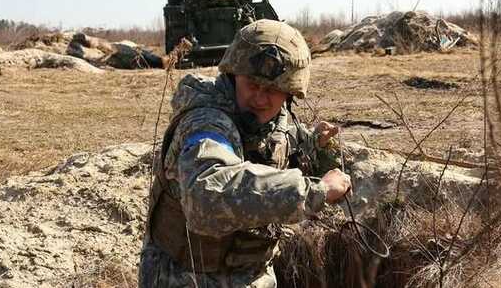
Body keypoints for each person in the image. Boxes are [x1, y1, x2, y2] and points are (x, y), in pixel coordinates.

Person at [139, 19, 352, 287]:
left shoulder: (276, 120)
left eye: (273, 90)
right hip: (185, 278)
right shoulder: (206, 121)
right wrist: (315, 191)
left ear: (290, 94)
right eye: (252, 84)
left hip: (252, 276)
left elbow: (281, 144)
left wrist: (316, 143)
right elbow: (206, 196)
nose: (260, 99)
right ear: (232, 74)